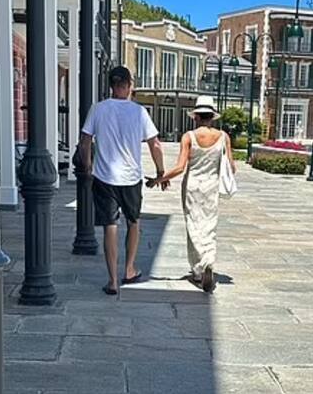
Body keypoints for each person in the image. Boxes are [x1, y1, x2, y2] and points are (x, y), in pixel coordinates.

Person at [77, 66, 167, 296]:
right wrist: (160, 171)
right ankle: (129, 269)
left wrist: (87, 167)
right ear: (128, 85)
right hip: (130, 178)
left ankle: (113, 281)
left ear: (111, 85)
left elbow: (85, 141)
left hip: (104, 177)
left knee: (110, 225)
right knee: (133, 221)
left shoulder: (98, 109)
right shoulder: (139, 112)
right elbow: (155, 144)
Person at [149, 96, 235, 293]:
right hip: (211, 186)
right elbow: (231, 166)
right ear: (212, 117)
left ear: (195, 116)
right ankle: (208, 261)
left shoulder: (189, 136)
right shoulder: (223, 137)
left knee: (194, 225)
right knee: (209, 225)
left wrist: (159, 179)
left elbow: (180, 167)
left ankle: (199, 270)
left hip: (193, 186)